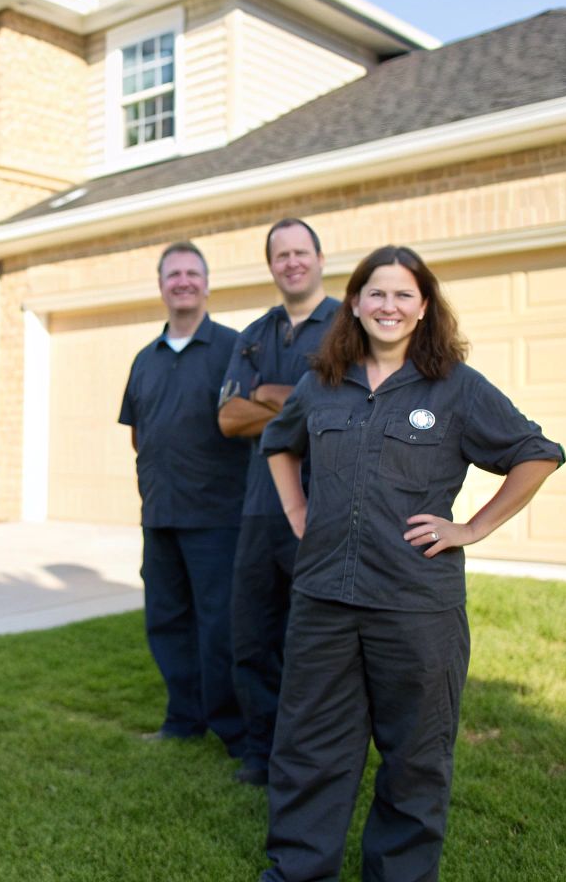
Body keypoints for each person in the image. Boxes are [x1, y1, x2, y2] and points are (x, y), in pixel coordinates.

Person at [258, 245, 563, 881]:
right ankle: (296, 873)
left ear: (424, 307)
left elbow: (537, 453)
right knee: (309, 751)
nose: (387, 305)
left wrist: (473, 527)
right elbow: (278, 442)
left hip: (416, 607)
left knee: (415, 759)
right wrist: (297, 514)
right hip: (323, 603)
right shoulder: (322, 383)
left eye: (402, 294)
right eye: (375, 292)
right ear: (355, 303)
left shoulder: (457, 387)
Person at [217, 218, 340, 785]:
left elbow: (344, 409)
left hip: (325, 508)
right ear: (271, 265)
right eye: (280, 254)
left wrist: (266, 396)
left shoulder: (348, 327)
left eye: (301, 252)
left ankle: (309, 753)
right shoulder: (253, 335)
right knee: (253, 637)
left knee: (312, 642)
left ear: (318, 257)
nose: (292, 262)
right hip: (258, 511)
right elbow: (227, 417)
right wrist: (294, 402)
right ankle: (261, 754)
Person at [118, 241, 250, 754]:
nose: (183, 281)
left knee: (221, 630)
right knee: (167, 623)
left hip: (218, 516)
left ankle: (236, 729)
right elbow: (139, 432)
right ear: (161, 285)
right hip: (160, 515)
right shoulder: (143, 360)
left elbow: (249, 421)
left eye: (192, 273)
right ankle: (183, 718)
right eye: (174, 274)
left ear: (207, 283)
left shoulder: (234, 349)